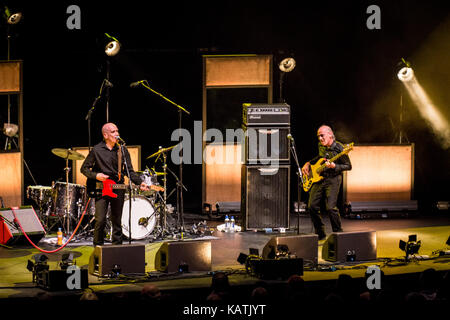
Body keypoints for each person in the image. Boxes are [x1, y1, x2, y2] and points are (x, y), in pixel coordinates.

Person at [81, 123, 150, 246]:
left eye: (117, 131)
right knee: (100, 220)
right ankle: (98, 247)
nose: (117, 134)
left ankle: (117, 249)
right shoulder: (96, 150)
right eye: (113, 132)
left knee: (117, 221)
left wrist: (140, 182)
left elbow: (130, 171)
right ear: (105, 135)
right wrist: (96, 176)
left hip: (118, 187)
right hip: (101, 188)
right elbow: (84, 169)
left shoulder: (122, 150)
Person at [301, 125, 352, 240]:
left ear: (330, 134)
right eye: (318, 136)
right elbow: (320, 157)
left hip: (333, 179)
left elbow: (348, 166)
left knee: (330, 208)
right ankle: (320, 233)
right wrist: (308, 163)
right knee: (312, 206)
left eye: (322, 135)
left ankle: (338, 234)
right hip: (320, 178)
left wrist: (335, 166)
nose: (320, 138)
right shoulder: (321, 145)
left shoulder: (340, 148)